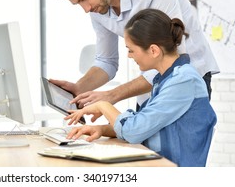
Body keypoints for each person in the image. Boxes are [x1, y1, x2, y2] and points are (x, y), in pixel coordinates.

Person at [50, 0, 219, 108]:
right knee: (137, 136)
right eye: (78, 4)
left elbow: (170, 62)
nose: (86, 9)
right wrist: (79, 88)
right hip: (151, 85)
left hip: (188, 80)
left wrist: (111, 95)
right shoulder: (98, 9)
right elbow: (107, 61)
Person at [64, 9, 217, 167]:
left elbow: (134, 130)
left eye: (131, 50)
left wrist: (103, 105)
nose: (129, 56)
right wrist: (101, 129)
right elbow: (142, 123)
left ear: (153, 50)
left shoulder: (183, 80)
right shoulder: (166, 79)